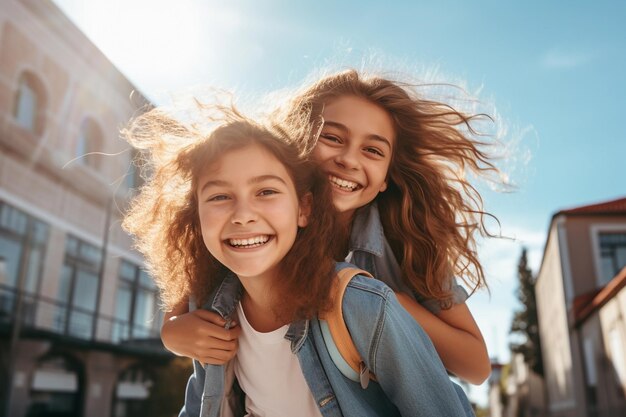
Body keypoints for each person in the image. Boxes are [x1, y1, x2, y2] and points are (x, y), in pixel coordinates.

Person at [122, 106, 474, 416]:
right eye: (219, 196)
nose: (243, 215)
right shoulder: (212, 307)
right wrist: (171, 329)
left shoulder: (366, 297)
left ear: (304, 207)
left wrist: (388, 302)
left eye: (266, 191)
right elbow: (202, 404)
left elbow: (464, 377)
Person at [161, 69, 497, 384]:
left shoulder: (407, 242)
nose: (349, 159)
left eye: (372, 150)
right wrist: (173, 333)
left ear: (386, 179)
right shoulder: (258, 229)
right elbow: (189, 304)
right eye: (333, 138)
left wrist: (388, 305)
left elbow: (477, 366)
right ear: (298, 142)